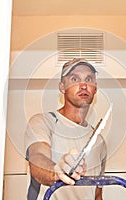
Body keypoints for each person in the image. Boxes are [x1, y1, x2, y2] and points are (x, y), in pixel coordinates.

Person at [24, 58, 107, 200]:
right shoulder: (43, 122)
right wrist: (56, 171)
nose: (83, 85)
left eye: (89, 79)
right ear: (62, 87)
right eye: (74, 79)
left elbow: (97, 193)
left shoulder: (99, 141)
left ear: (95, 88)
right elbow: (38, 157)